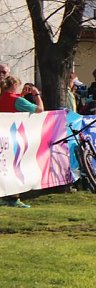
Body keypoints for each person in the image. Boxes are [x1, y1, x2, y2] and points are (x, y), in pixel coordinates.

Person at [0, 75, 43, 207]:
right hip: (15, 138)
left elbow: (12, 104)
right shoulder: (18, 100)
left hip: (3, 137)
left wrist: (21, 95)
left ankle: (5, 196)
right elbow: (40, 109)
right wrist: (37, 95)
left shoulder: (2, 98)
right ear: (14, 85)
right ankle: (14, 199)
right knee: (16, 167)